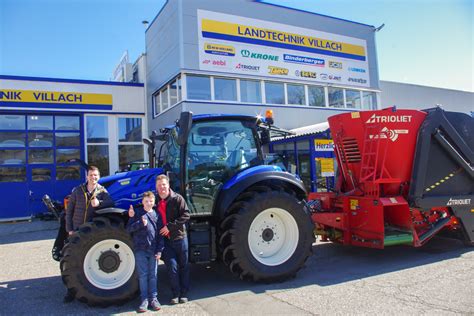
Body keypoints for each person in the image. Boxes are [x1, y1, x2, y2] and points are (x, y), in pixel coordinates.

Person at [130, 174, 191, 304]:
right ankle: (175, 294)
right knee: (172, 267)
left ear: (168, 185)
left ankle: (184, 293)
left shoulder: (177, 198)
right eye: (159, 185)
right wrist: (130, 214)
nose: (162, 187)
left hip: (179, 237)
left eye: (164, 185)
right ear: (156, 188)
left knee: (183, 266)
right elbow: (144, 207)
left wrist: (170, 227)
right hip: (166, 241)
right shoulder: (155, 200)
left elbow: (186, 215)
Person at [63, 165, 114, 303]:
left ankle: (81, 286)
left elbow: (110, 202)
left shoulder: (102, 191)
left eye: (96, 175)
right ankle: (70, 291)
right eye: (91, 175)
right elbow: (69, 211)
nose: (93, 177)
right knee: (72, 261)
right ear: (87, 176)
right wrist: (70, 229)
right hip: (77, 228)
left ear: (99, 176)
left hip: (91, 231)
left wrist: (99, 203)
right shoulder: (78, 191)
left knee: (84, 259)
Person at [127, 191, 164, 313]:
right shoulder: (137, 213)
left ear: (154, 203)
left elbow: (160, 235)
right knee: (143, 276)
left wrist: (159, 250)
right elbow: (129, 229)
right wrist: (139, 223)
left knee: (153, 275)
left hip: (153, 250)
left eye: (151, 201)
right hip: (140, 250)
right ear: (142, 201)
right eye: (146, 201)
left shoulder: (156, 214)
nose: (149, 203)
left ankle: (154, 298)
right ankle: (144, 300)